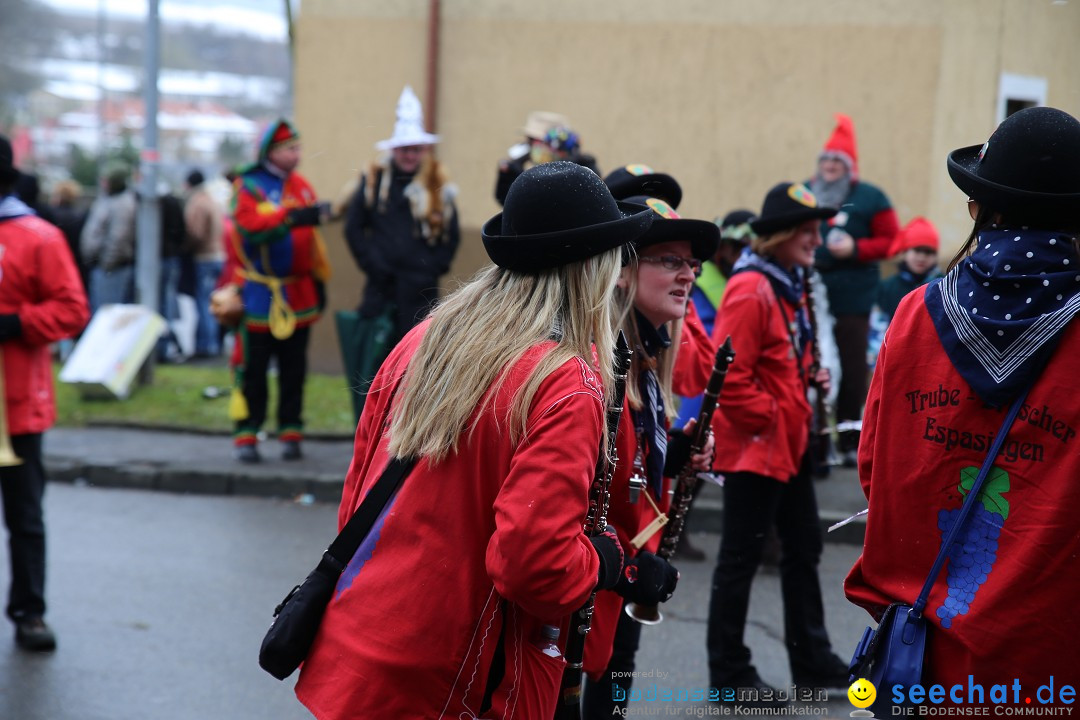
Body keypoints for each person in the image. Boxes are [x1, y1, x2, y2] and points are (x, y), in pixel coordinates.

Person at [294, 162, 655, 718]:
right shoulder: (564, 380)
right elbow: (534, 567)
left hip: (364, 642)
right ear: (594, 269)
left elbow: (358, 494)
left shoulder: (426, 336)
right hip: (459, 676)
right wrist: (602, 561)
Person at [845, 106, 1080, 690]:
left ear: (982, 208)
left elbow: (876, 470)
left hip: (926, 651)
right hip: (1050, 662)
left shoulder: (912, 315)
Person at [706, 182, 851, 697]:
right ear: (782, 235)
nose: (817, 239)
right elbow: (728, 376)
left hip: (786, 445)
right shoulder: (752, 287)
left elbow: (786, 353)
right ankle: (728, 675)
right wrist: (771, 414)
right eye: (808, 231)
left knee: (804, 548)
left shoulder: (792, 282)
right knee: (741, 559)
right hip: (757, 446)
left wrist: (811, 377)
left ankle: (812, 662)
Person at [581, 186, 717, 718]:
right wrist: (632, 567)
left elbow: (626, 456)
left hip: (624, 567)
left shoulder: (645, 351)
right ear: (622, 270)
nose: (689, 275)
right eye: (670, 261)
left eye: (692, 263)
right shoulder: (597, 361)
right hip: (593, 576)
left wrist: (673, 453)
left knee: (615, 688)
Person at [0, 135, 90, 651]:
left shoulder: (38, 236)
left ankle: (29, 611)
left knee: (24, 518)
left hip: (15, 407)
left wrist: (14, 323)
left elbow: (72, 309)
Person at [222, 118, 331, 463]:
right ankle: (247, 434)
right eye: (290, 149)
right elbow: (249, 226)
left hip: (298, 291)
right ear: (272, 152)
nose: (297, 154)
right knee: (253, 368)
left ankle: (291, 431)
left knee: (293, 367)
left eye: (298, 148)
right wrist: (290, 218)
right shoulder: (248, 186)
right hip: (259, 294)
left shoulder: (301, 185)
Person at [810, 114, 899, 465]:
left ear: (849, 167)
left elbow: (892, 240)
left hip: (853, 297)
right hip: (813, 294)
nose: (830, 167)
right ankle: (815, 441)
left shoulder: (870, 197)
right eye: (826, 160)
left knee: (849, 367)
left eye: (837, 161)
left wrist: (856, 250)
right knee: (811, 364)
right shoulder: (808, 191)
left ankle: (849, 441)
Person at [345, 85, 460, 350]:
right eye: (404, 149)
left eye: (415, 149)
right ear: (394, 150)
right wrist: (373, 264)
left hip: (421, 293)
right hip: (380, 290)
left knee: (416, 360)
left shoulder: (436, 186)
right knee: (377, 359)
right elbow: (353, 228)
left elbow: (450, 233)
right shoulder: (374, 182)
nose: (409, 156)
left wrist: (432, 267)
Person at [867, 216, 941, 369]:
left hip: (931, 362)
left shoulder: (944, 286)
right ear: (906, 251)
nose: (922, 257)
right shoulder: (888, 287)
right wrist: (878, 363)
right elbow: (878, 326)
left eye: (928, 252)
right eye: (917, 250)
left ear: (935, 255)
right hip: (896, 362)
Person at [495, 110, 600, 205]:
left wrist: (522, 179)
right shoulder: (535, 169)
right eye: (528, 140)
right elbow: (507, 204)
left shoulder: (584, 170)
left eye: (534, 140)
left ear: (556, 144)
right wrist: (508, 176)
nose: (530, 146)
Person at [81, 163, 137, 313]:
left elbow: (118, 239)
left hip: (111, 269)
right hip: (101, 266)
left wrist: (107, 264)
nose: (102, 183)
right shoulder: (109, 198)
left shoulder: (123, 204)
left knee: (106, 314)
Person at [182, 169, 225, 357]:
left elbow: (196, 233)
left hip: (204, 257)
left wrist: (185, 248)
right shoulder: (211, 200)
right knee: (211, 301)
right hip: (217, 255)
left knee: (204, 303)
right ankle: (212, 343)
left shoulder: (197, 202)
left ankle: (207, 346)